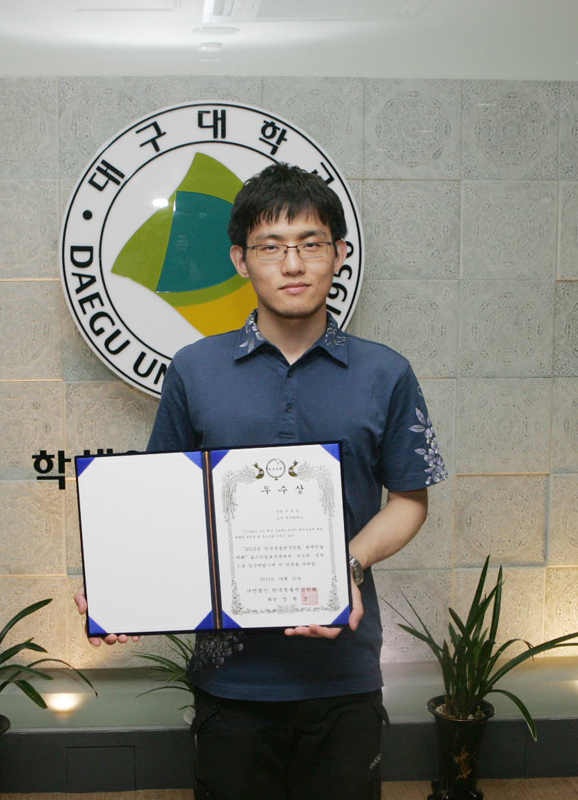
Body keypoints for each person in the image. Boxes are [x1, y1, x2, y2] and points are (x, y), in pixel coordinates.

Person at [75, 162, 447, 800]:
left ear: (339, 254)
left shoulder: (386, 373)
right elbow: (161, 504)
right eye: (271, 247)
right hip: (232, 678)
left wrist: (346, 567)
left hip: (344, 672)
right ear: (241, 261)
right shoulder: (195, 369)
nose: (293, 264)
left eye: (311, 244)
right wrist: (124, 589)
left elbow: (410, 500)